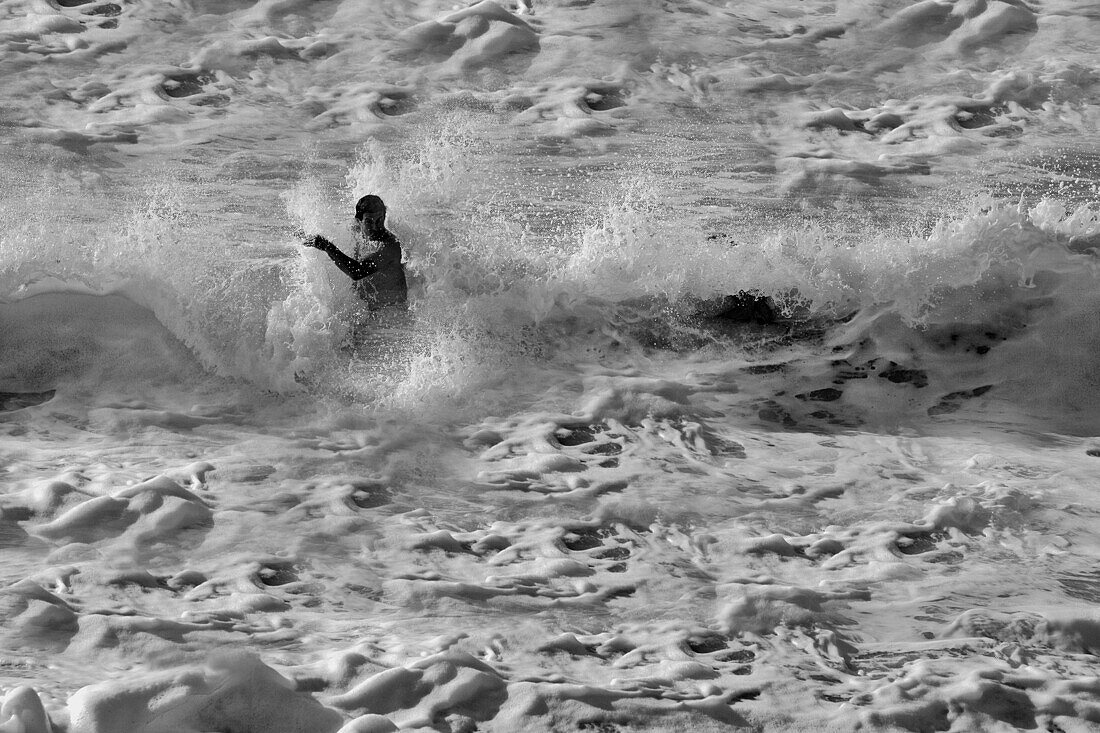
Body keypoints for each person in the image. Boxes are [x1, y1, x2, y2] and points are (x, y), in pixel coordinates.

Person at [303, 194, 408, 308]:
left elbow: (357, 271)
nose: (376, 227)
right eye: (369, 222)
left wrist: (327, 247)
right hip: (367, 310)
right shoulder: (356, 231)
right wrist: (305, 237)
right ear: (359, 221)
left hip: (391, 313)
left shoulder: (390, 246)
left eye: (380, 220)